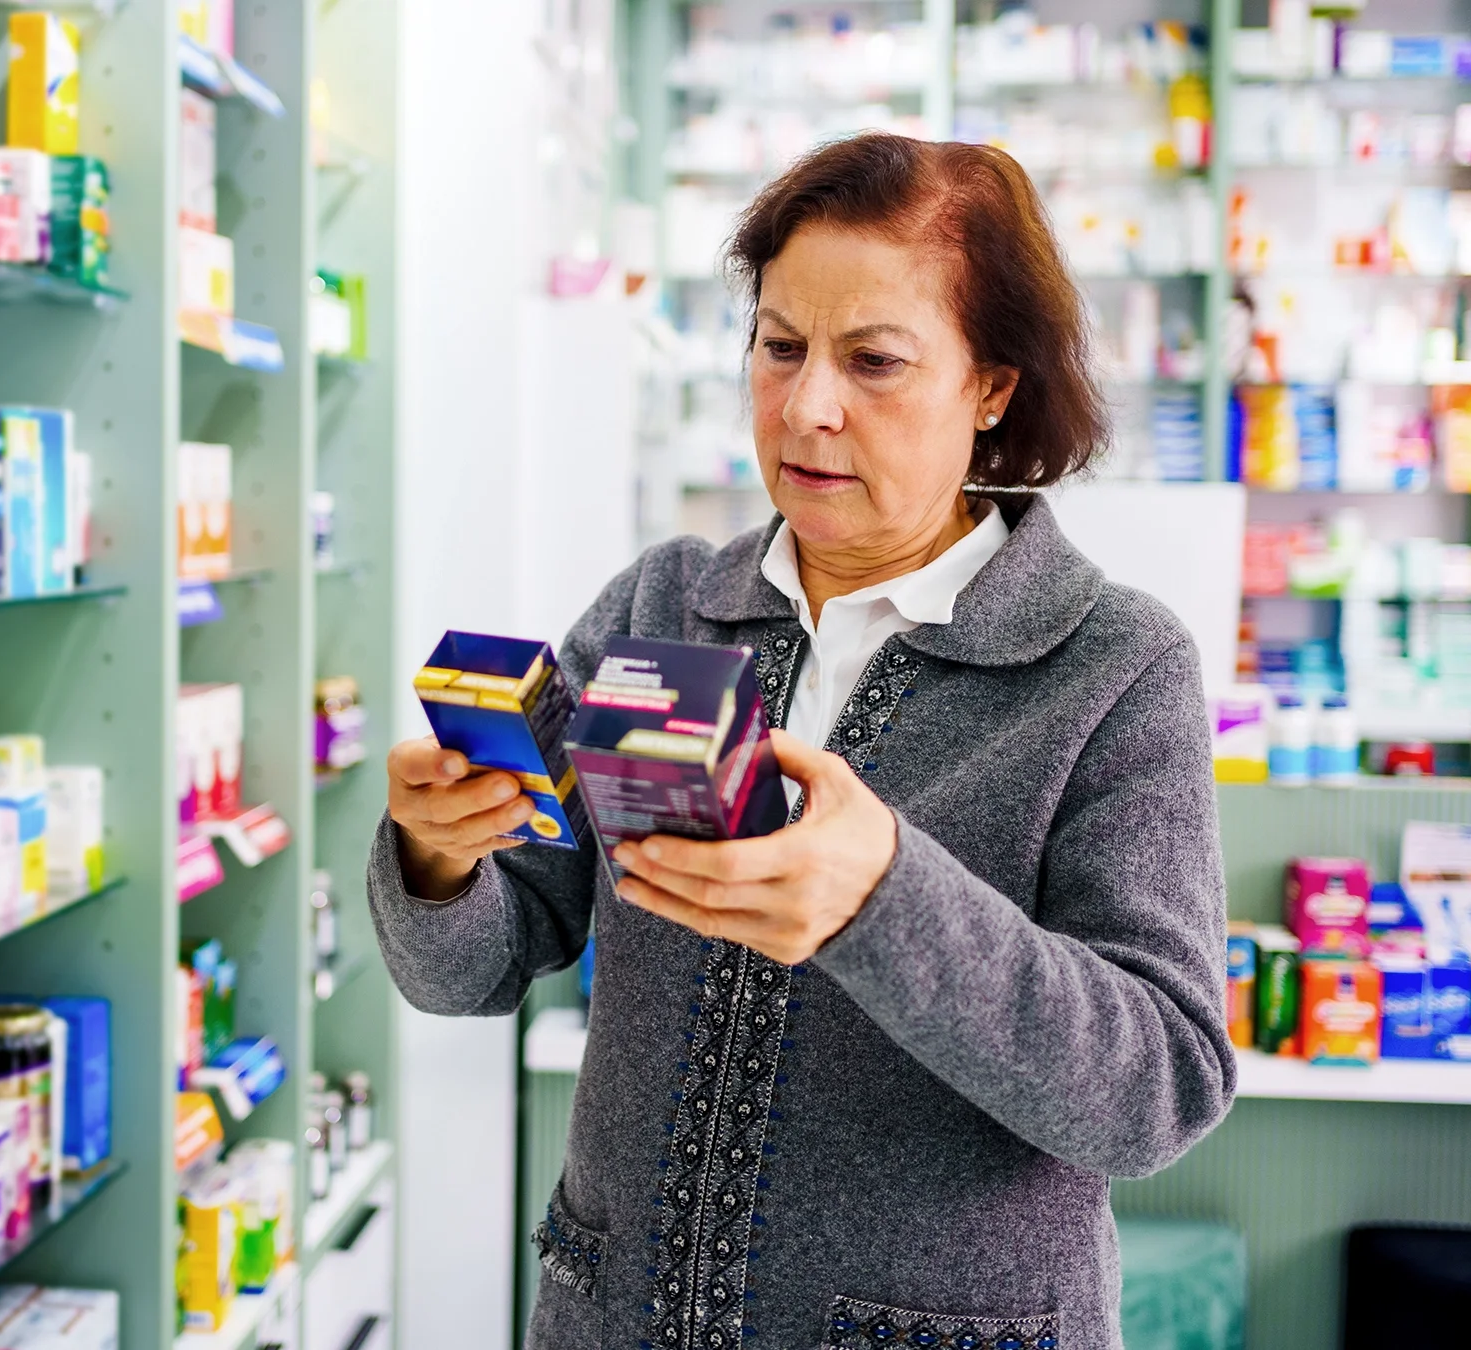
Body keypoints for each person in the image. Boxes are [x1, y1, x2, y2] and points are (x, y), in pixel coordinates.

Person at [368, 131, 1235, 1350]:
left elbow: (1157, 1091)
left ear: (993, 388)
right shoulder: (660, 608)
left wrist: (885, 895)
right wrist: (439, 857)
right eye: (780, 347)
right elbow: (470, 969)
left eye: (875, 361)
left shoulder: (1108, 666)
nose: (809, 405)